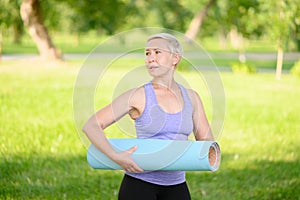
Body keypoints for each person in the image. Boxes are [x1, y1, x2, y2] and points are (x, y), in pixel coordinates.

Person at [82, 33, 214, 200]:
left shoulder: (192, 97)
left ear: (175, 58)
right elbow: (91, 125)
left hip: (177, 185)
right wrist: (116, 156)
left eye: (157, 52)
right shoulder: (138, 96)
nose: (151, 58)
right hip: (140, 185)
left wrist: (208, 154)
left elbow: (206, 142)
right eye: (147, 53)